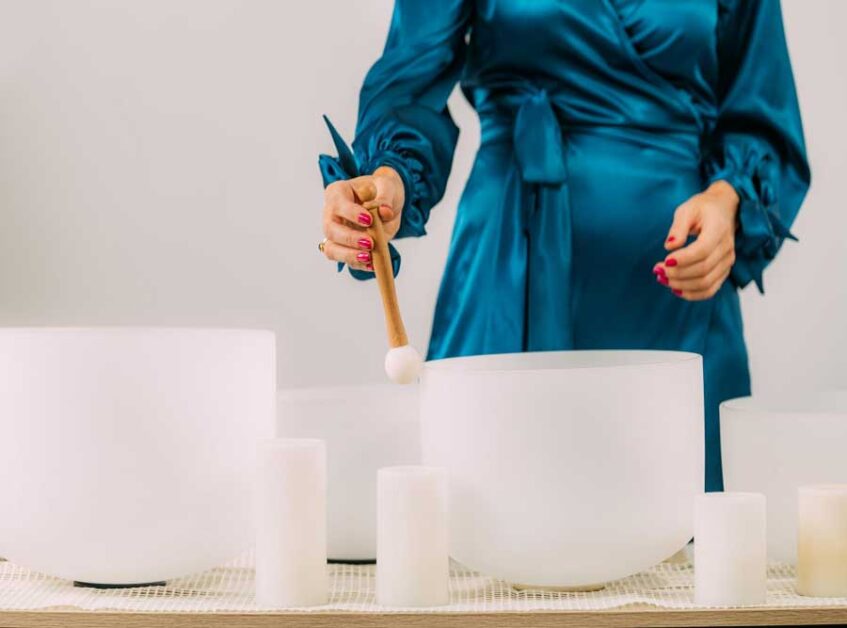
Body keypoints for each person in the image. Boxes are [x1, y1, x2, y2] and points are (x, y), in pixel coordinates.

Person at [317, 0, 809, 492]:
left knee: (693, 537)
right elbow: (409, 83)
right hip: (510, 273)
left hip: (678, 297)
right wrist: (390, 179)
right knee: (491, 527)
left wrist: (728, 202)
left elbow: (762, 112)